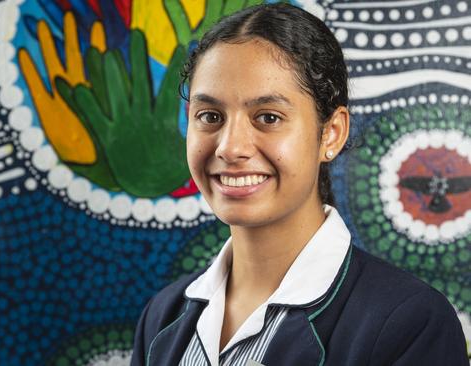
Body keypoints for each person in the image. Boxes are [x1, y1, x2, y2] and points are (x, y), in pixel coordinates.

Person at [130, 3, 468, 366]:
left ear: (331, 134)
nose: (229, 147)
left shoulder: (411, 325)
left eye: (268, 117)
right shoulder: (162, 315)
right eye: (210, 116)